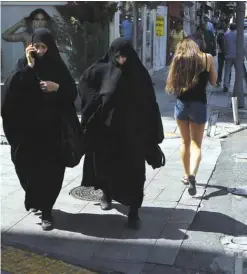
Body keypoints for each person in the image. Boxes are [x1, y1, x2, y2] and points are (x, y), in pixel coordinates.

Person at [78, 38, 164, 229]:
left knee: (135, 174)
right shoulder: (102, 70)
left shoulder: (140, 75)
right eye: (118, 57)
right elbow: (85, 84)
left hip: (133, 136)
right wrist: (94, 106)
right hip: (107, 135)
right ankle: (106, 195)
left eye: (125, 56)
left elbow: (150, 105)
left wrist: (151, 136)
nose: (122, 61)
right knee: (106, 168)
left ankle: (134, 212)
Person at [1, 28, 78, 231]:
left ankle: (46, 211)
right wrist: (28, 67)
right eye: (37, 47)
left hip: (53, 134)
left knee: (50, 174)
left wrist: (57, 87)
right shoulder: (23, 65)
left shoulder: (58, 67)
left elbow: (72, 92)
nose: (41, 51)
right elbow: (10, 91)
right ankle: (35, 198)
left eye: (44, 47)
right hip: (28, 134)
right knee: (26, 170)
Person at [166, 38, 217, 196]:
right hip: (199, 104)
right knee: (196, 144)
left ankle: (186, 176)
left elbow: (172, 82)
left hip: (181, 104)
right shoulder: (207, 58)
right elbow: (214, 81)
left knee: (184, 142)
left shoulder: (179, 58)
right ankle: (193, 174)